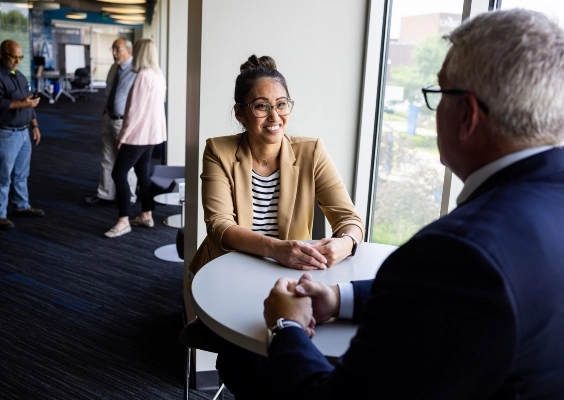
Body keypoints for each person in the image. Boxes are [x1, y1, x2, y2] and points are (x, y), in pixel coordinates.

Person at [261, 9, 564, 399]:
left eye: (439, 94)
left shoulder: (456, 252)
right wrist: (340, 298)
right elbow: (451, 300)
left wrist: (284, 326)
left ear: (468, 115)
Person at [187, 54, 365, 397]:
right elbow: (219, 226)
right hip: (228, 276)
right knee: (249, 364)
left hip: (290, 277)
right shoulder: (219, 151)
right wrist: (277, 249)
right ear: (240, 113)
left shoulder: (311, 151)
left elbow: (350, 220)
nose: (274, 117)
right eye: (261, 106)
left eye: (282, 104)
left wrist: (345, 243)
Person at [104, 38, 166, 238]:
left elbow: (134, 112)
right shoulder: (158, 75)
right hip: (152, 134)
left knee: (119, 174)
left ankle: (123, 220)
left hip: (138, 135)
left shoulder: (143, 76)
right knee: (143, 173)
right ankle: (146, 214)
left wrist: (123, 136)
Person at [84, 38, 138, 206]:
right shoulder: (114, 68)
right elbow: (109, 91)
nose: (114, 53)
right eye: (113, 49)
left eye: (118, 49)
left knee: (126, 161)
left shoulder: (137, 71)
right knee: (107, 157)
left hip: (125, 123)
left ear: (129, 51)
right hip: (109, 118)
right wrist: (106, 111)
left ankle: (128, 197)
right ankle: (105, 194)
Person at [0, 39, 45, 231]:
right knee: (3, 177)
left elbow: (30, 102)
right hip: (6, 133)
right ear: (2, 55)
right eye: (13, 57)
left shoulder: (20, 76)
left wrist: (34, 125)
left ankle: (21, 205)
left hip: (24, 131)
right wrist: (24, 104)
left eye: (20, 57)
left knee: (21, 174)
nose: (17, 61)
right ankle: (0, 214)